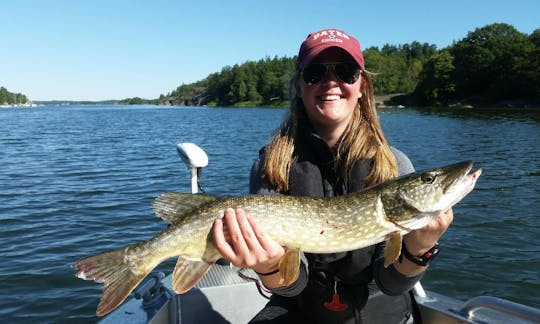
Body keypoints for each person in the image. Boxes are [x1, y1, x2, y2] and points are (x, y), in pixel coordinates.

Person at [212, 28, 453, 323]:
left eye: (345, 71)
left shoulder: (393, 164)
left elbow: (392, 284)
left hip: (377, 302)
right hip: (301, 302)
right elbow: (291, 286)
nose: (331, 82)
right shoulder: (272, 166)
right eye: (315, 73)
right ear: (299, 85)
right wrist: (270, 266)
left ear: (362, 84)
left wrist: (419, 249)